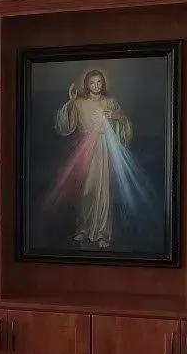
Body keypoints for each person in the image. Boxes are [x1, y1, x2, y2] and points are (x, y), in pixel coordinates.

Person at [48, 68, 135, 249]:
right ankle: (84, 229)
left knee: (104, 191)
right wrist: (71, 102)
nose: (96, 85)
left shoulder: (110, 102)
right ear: (87, 84)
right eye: (92, 82)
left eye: (99, 82)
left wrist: (118, 117)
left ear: (103, 83)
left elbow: (125, 128)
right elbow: (64, 125)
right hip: (85, 149)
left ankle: (103, 233)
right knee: (86, 190)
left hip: (105, 149)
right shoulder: (79, 102)